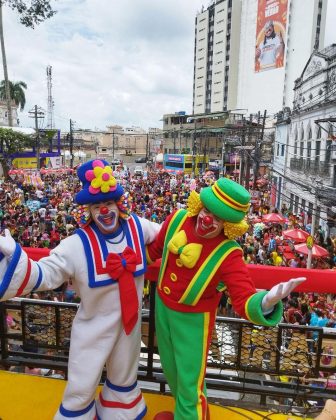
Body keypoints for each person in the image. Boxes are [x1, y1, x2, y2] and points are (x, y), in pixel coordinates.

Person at [0, 159, 160, 420]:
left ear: (118, 205)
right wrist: (15, 257)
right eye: (97, 206)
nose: (104, 211)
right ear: (89, 211)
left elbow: (168, 236)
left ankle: (119, 411)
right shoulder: (76, 244)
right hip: (93, 329)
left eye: (108, 204)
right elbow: (47, 272)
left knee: (124, 378)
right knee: (81, 385)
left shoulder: (137, 227)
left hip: (129, 326)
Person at [146, 178, 305, 420]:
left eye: (217, 218)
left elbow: (242, 298)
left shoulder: (229, 253)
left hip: (194, 321)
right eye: (207, 210)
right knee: (172, 370)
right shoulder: (178, 219)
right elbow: (154, 250)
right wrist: (125, 260)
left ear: (228, 225)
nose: (207, 219)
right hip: (162, 309)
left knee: (190, 384)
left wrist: (267, 301)